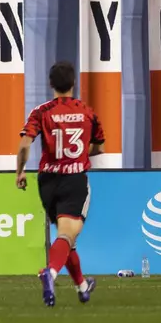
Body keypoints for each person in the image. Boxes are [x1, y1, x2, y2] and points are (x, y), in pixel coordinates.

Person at [16, 61, 105, 307]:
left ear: (50, 84)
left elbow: (25, 144)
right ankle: (50, 273)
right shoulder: (87, 112)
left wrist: (20, 171)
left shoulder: (41, 112)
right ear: (73, 83)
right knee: (67, 234)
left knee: (66, 240)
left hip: (47, 181)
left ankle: (82, 287)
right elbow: (99, 147)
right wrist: (78, 153)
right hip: (74, 179)